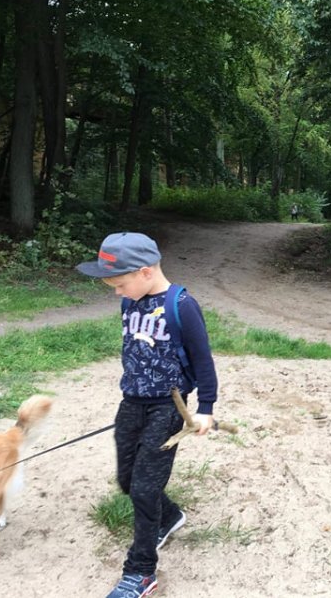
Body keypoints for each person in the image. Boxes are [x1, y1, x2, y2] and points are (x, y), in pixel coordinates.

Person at [77, 232, 218, 598]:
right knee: (127, 480)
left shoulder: (182, 305)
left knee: (143, 488)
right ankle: (169, 516)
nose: (116, 292)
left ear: (143, 272)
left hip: (169, 409)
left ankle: (140, 572)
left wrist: (206, 409)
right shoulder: (131, 301)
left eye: (120, 284)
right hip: (130, 404)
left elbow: (203, 361)